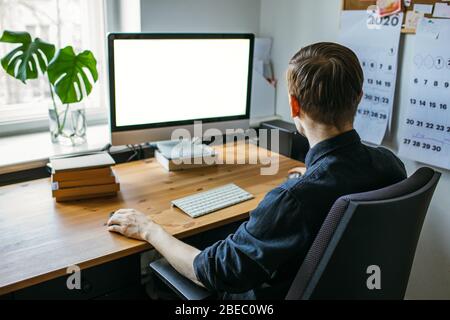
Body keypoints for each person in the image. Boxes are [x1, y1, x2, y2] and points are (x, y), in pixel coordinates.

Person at [107, 42, 407, 300]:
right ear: (358, 97)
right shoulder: (391, 165)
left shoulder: (294, 199)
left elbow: (213, 272)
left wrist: (149, 230)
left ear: (293, 105)